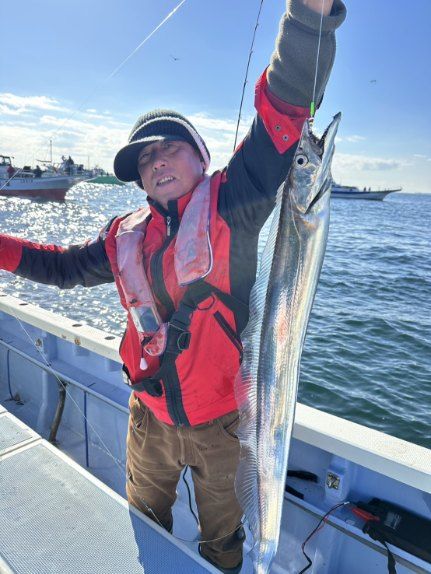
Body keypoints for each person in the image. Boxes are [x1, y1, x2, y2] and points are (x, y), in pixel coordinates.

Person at [0, 1, 345, 571]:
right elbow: (60, 268)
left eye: (170, 147)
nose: (157, 161)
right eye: (145, 158)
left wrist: (309, 17)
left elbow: (285, 109)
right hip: (148, 419)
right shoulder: (122, 237)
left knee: (222, 543)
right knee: (143, 526)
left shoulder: (235, 201)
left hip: (225, 427)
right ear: (138, 177)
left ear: (201, 158)